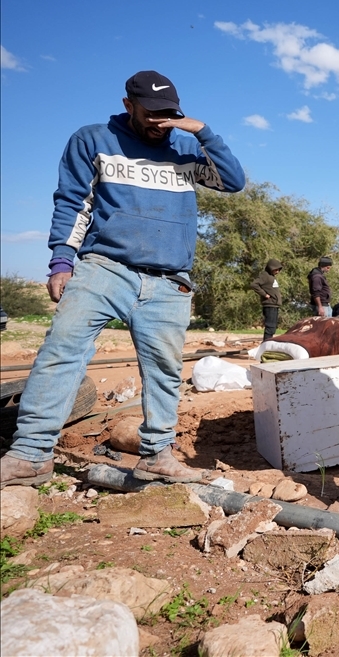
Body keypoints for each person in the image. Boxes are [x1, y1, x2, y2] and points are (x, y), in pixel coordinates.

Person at [0, 70, 245, 489]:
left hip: (169, 281)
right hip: (104, 268)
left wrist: (203, 132)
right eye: (151, 113)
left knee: (165, 370)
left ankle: (157, 456)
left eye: (168, 114)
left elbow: (233, 181)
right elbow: (74, 201)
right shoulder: (92, 139)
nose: (158, 122)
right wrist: (62, 259)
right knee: (61, 352)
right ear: (128, 105)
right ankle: (30, 455)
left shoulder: (185, 147)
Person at [251, 259, 283, 341]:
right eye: (275, 269)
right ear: (270, 268)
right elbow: (254, 284)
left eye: (278, 269)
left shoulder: (271, 277)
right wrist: (264, 294)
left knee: (272, 328)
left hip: (274, 305)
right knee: (270, 328)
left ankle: (268, 345)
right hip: (270, 305)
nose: (277, 271)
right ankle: (266, 346)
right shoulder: (264, 275)